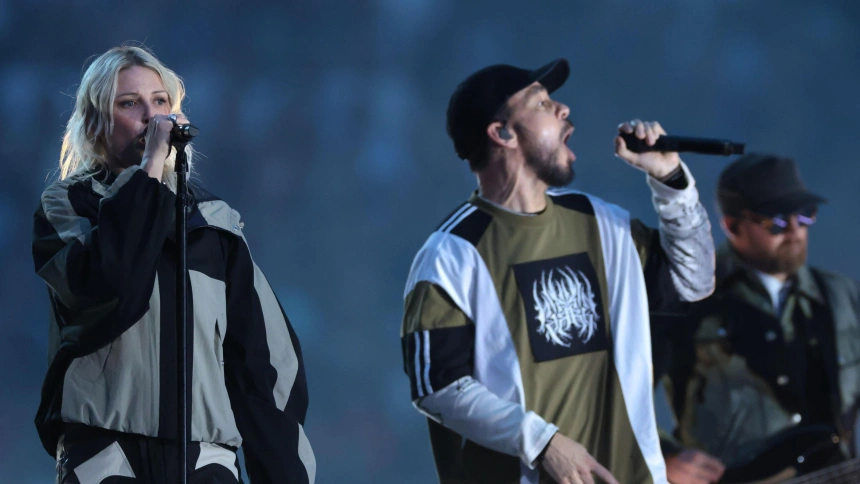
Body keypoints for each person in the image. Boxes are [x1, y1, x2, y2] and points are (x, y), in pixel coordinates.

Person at [399, 58, 715, 484]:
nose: (563, 109)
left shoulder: (602, 222)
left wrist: (671, 180)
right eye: (542, 102)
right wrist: (543, 442)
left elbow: (694, 284)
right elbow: (436, 387)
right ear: (503, 133)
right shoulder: (450, 254)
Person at [31, 45, 315, 483]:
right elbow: (111, 288)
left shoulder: (214, 222)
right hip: (107, 456)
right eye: (129, 104)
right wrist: (148, 171)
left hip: (204, 460)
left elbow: (263, 366)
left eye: (160, 102)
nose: (152, 117)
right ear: (95, 125)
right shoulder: (69, 206)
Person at [653, 153, 860, 484]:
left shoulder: (842, 297)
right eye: (776, 220)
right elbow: (619, 390)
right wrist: (663, 456)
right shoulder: (690, 299)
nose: (794, 230)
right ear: (733, 226)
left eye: (805, 215)